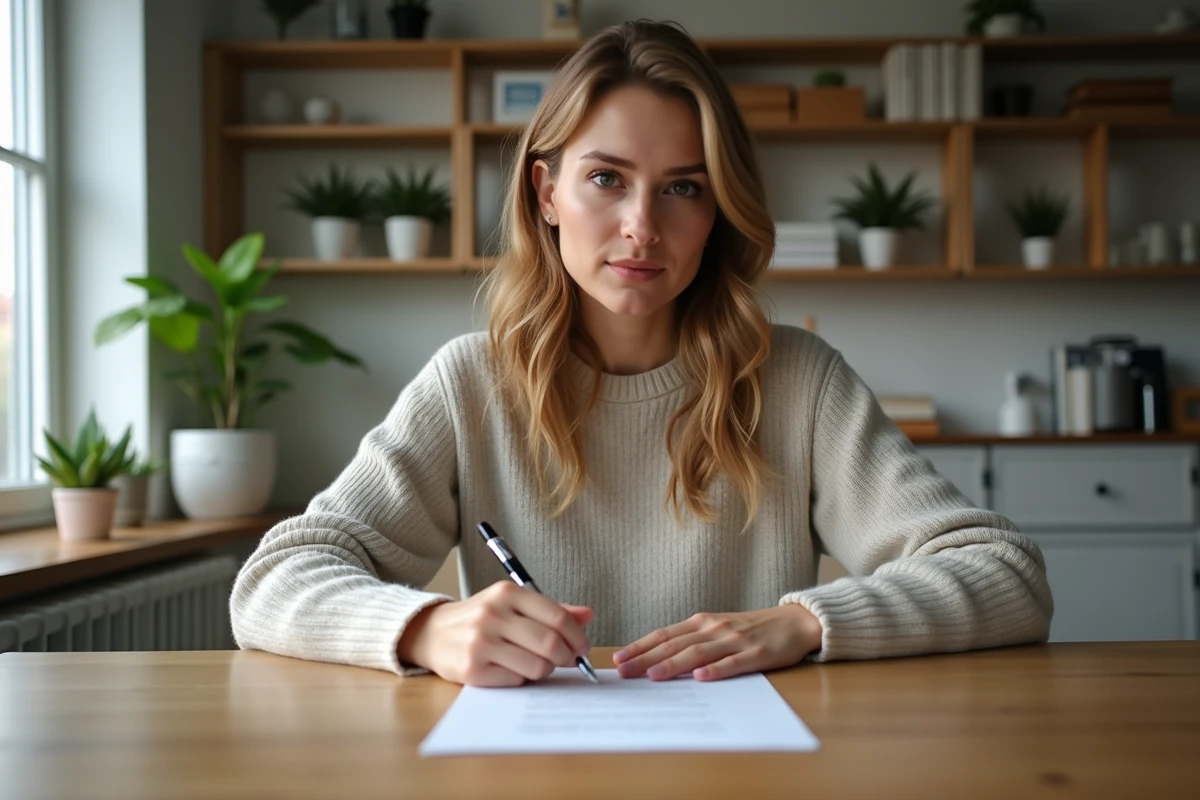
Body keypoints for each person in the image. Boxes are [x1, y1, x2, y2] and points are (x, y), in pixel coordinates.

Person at [230, 20, 1053, 687]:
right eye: (606, 179)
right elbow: (273, 583)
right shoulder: (469, 383)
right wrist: (426, 627)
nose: (642, 227)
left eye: (683, 188)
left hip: (744, 773)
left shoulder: (797, 380)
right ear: (547, 193)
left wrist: (806, 622)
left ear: (719, 210)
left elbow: (1008, 576)